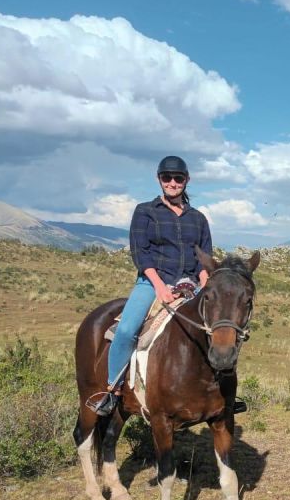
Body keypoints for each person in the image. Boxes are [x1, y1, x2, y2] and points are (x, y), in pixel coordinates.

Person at [90, 156, 212, 416]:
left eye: (178, 178)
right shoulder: (145, 211)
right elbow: (141, 253)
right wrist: (158, 286)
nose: (172, 182)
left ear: (186, 181)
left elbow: (205, 258)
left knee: (220, 328)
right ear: (159, 179)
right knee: (126, 331)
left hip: (190, 282)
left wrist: (206, 284)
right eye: (166, 177)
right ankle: (112, 390)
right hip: (153, 281)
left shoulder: (198, 219)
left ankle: (220, 392)